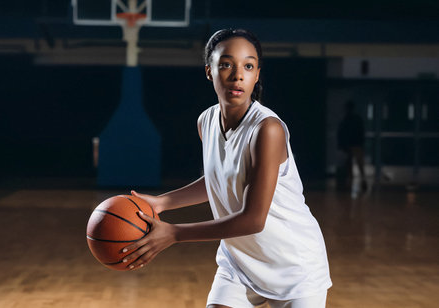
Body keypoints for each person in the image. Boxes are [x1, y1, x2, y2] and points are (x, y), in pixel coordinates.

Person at [122, 29, 332, 308]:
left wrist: (174, 233)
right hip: (241, 263)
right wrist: (162, 202)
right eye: (226, 64)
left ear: (257, 74)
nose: (237, 75)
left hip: (293, 265)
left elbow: (253, 219)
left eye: (248, 65)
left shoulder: (267, 129)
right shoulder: (205, 121)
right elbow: (219, 178)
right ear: (209, 71)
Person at [337, 100, 367, 192]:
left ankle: (354, 182)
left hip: (353, 145)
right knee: (353, 165)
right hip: (353, 145)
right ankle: (353, 182)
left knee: (354, 165)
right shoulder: (352, 119)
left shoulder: (348, 119)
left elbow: (343, 133)